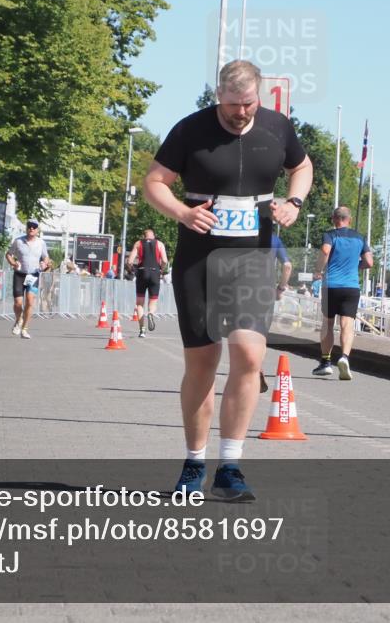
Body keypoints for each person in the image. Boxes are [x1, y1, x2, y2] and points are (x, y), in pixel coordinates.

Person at [144, 59, 313, 502]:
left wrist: (293, 202)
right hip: (199, 259)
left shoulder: (277, 128)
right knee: (202, 363)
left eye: (249, 103)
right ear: (218, 95)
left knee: (249, 355)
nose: (241, 112)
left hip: (253, 258)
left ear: (260, 96)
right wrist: (182, 212)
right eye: (233, 104)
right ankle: (193, 463)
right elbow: (155, 182)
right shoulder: (190, 130)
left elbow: (303, 167)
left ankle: (230, 467)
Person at [312, 206, 373, 381]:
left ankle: (325, 362)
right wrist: (355, 266)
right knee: (347, 324)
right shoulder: (360, 238)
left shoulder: (330, 235)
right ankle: (344, 357)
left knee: (328, 323)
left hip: (331, 286)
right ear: (350, 219)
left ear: (334, 219)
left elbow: (325, 250)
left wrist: (318, 270)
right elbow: (369, 262)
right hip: (351, 287)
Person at [257, 230, 293, 393]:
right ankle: (257, 367)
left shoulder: (243, 235)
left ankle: (248, 368)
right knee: (261, 334)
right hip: (266, 290)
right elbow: (287, 266)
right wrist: (281, 288)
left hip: (242, 289)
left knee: (241, 332)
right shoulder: (274, 240)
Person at [5, 219, 51, 340]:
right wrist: (13, 263)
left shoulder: (41, 243)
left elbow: (46, 257)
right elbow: (8, 254)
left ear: (37, 230)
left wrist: (44, 263)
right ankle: (18, 320)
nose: (31, 228)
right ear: (26, 228)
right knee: (18, 303)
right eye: (29, 226)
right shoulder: (18, 241)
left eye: (34, 227)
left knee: (30, 302)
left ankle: (24, 329)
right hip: (19, 275)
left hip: (33, 275)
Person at [127, 229, 169, 339]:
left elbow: (130, 261)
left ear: (144, 236)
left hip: (142, 272)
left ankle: (142, 330)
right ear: (153, 236)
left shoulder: (138, 243)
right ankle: (150, 313)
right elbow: (165, 260)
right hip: (155, 272)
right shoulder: (160, 244)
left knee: (140, 303)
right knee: (153, 300)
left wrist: (132, 270)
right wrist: (161, 269)